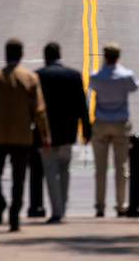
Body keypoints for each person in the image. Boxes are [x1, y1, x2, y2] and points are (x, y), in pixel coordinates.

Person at [0, 39, 50, 232]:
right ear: (21, 55)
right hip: (22, 136)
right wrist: (45, 135)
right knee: (19, 178)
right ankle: (14, 215)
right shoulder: (30, 78)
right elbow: (40, 110)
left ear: (5, 55)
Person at [36, 42, 93, 223]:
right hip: (68, 132)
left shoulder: (38, 76)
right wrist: (87, 129)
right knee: (64, 169)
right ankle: (63, 205)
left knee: (50, 172)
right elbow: (82, 104)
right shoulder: (73, 75)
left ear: (45, 57)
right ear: (60, 55)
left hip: (46, 133)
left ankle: (57, 209)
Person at [88, 42, 139, 217]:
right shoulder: (125, 75)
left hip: (101, 122)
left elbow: (93, 86)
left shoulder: (96, 76)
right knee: (121, 166)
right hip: (120, 122)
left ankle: (100, 205)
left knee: (100, 168)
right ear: (118, 56)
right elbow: (135, 87)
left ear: (104, 56)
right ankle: (121, 203)